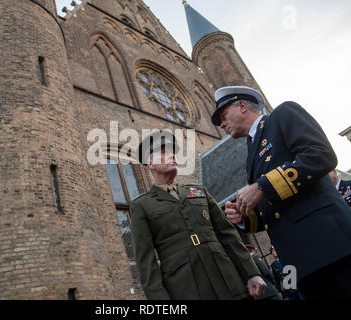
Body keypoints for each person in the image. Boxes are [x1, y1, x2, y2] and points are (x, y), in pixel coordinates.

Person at [211, 85, 351, 300]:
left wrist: (261, 186)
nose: (221, 124)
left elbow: (321, 155)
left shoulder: (282, 114)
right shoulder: (251, 153)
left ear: (241, 106)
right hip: (301, 263)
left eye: (223, 115)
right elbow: (273, 208)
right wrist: (245, 217)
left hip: (331, 246)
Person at [130, 131, 267, 300]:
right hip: (187, 289)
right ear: (150, 163)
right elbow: (147, 263)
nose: (172, 155)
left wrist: (251, 273)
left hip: (229, 280)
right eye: (163, 152)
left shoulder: (199, 191)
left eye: (173, 152)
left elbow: (228, 234)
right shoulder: (141, 206)